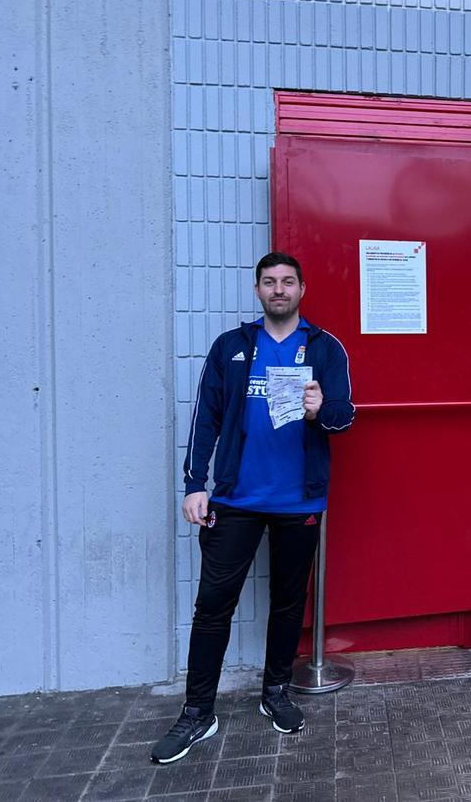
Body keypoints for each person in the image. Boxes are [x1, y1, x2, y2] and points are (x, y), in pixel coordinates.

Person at [151, 252, 355, 765]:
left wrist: (319, 411)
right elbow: (206, 419)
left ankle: (275, 693)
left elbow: (344, 416)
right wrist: (194, 483)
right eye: (270, 282)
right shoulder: (233, 348)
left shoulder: (325, 348)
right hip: (235, 500)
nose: (279, 290)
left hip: (299, 501)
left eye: (288, 282)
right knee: (213, 605)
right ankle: (198, 712)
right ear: (257, 290)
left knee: (289, 603)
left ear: (302, 289)